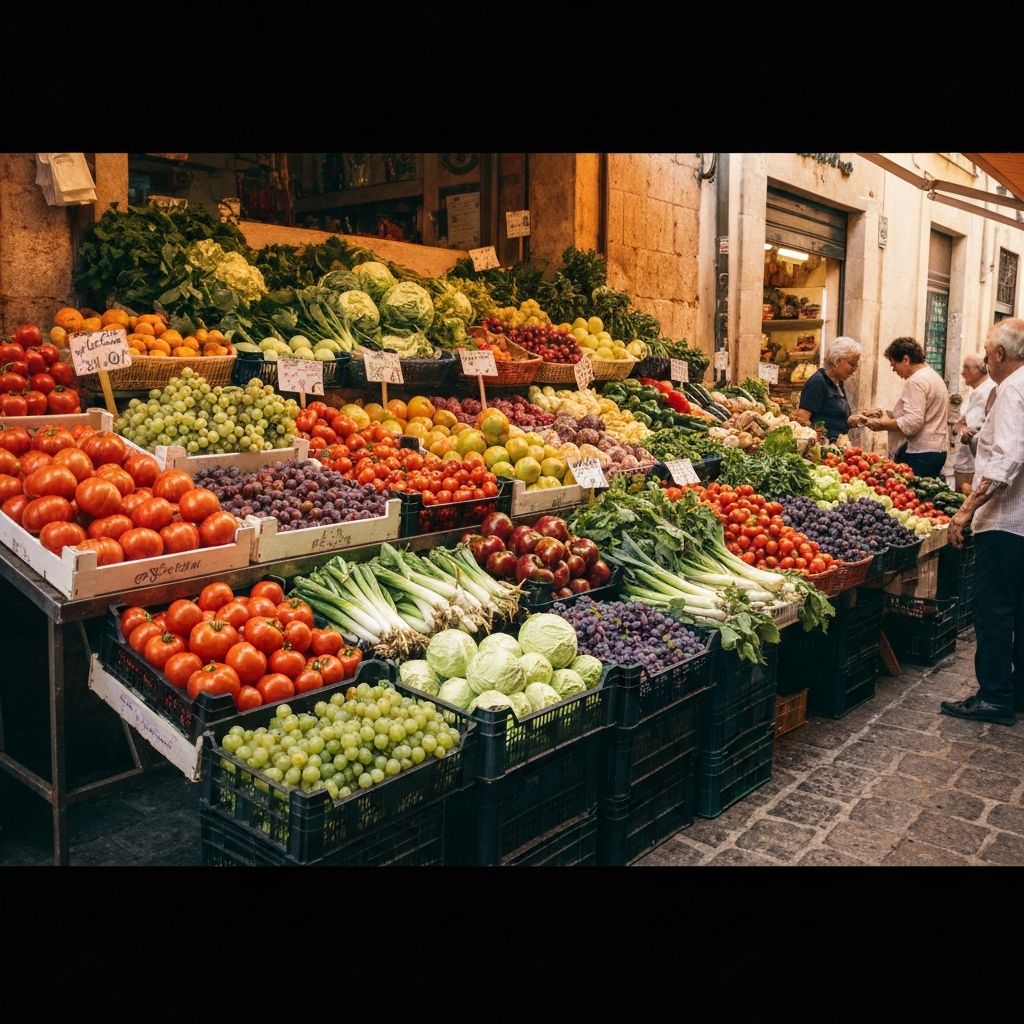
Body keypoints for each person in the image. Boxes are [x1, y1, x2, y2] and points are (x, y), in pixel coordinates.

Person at [941, 317, 1024, 725]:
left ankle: (994, 695)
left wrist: (967, 508)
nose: (986, 354)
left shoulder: (1011, 390)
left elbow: (1006, 458)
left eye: (987, 349)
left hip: (1006, 523)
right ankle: (1018, 690)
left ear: (999, 354)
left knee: (993, 610)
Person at [863, 337, 950, 478]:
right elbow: (919, 413)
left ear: (905, 360)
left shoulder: (916, 381)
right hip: (936, 450)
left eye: (893, 364)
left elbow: (913, 422)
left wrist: (881, 425)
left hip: (920, 453)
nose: (893, 370)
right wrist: (882, 413)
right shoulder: (932, 375)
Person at [795, 336, 864, 441]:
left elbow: (835, 419)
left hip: (837, 446)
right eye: (852, 364)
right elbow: (801, 420)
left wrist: (861, 419)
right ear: (837, 361)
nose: (855, 370)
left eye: (856, 365)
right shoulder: (817, 383)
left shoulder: (838, 383)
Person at [952, 352, 996, 494]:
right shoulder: (977, 392)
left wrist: (963, 430)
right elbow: (960, 424)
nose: (962, 372)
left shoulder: (985, 392)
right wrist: (960, 427)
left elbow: (970, 430)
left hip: (972, 463)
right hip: (969, 460)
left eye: (967, 368)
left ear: (981, 369)